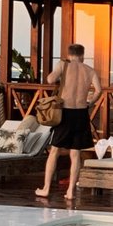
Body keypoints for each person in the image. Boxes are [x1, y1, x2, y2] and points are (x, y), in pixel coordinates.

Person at [35, 43, 101, 201]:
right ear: (82, 55)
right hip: (81, 113)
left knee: (55, 151)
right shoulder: (89, 70)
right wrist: (90, 103)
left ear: (69, 54)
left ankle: (46, 188)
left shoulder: (63, 65)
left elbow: (50, 79)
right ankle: (71, 191)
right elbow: (99, 90)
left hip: (65, 112)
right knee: (75, 152)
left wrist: (61, 70)